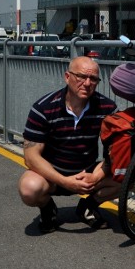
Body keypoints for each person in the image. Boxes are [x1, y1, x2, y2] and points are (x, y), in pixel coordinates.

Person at [18, 56, 118, 233]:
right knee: (29, 189)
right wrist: (65, 182)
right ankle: (48, 208)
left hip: (88, 172)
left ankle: (88, 207)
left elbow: (116, 152)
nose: (87, 83)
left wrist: (95, 177)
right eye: (81, 76)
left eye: (93, 78)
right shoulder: (44, 108)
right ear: (67, 77)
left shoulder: (107, 109)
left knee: (130, 178)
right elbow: (31, 157)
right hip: (53, 175)